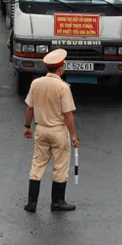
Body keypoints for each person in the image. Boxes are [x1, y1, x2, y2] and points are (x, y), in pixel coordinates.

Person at [22, 49, 80, 212]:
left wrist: (27, 126)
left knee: (37, 164)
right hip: (58, 131)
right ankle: (57, 202)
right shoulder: (63, 87)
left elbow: (30, 108)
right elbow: (68, 115)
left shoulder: (36, 83)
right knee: (60, 166)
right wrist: (74, 135)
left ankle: (32, 203)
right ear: (60, 69)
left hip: (41, 129)